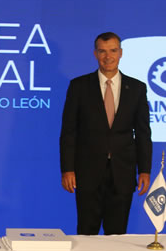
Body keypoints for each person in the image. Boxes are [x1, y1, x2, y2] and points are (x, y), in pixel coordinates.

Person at [59, 32, 152, 235]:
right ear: (95, 54)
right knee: (86, 233)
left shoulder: (137, 88)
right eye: (102, 51)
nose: (107, 56)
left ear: (120, 53)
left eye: (112, 51)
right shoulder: (79, 86)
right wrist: (67, 169)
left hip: (123, 174)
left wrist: (144, 170)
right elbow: (69, 131)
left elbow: (143, 133)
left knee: (118, 234)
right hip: (87, 173)